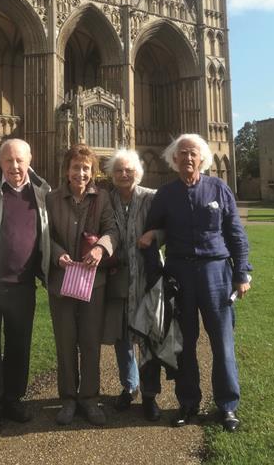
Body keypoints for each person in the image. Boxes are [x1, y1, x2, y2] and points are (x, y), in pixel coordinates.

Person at [139, 134, 251, 432]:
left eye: (193, 153)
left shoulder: (218, 188)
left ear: (202, 158)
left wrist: (242, 273)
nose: (188, 158)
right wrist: (156, 272)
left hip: (216, 273)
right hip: (180, 274)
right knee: (184, 345)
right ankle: (188, 403)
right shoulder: (166, 194)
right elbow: (151, 232)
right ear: (173, 160)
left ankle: (227, 406)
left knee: (222, 343)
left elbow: (236, 234)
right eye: (182, 154)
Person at [0, 138, 50, 438]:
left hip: (23, 286)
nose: (15, 166)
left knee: (19, 346)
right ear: (0, 161)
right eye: (9, 160)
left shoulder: (42, 191)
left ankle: (13, 399)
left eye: (20, 160)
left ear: (29, 160)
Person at [46, 144, 118, 426]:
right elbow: (45, 234)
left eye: (86, 168)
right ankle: (67, 399)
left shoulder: (103, 198)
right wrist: (56, 255)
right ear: (67, 170)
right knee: (65, 342)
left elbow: (112, 230)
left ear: (93, 171)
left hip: (93, 282)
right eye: (76, 167)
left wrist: (101, 248)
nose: (81, 173)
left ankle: (89, 399)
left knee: (89, 342)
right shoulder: (51, 199)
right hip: (62, 281)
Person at [103, 149, 163, 421]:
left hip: (146, 277)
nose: (124, 174)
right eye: (118, 170)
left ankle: (150, 395)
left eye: (128, 170)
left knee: (148, 337)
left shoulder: (151, 198)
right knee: (122, 337)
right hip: (117, 279)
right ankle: (130, 386)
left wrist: (154, 234)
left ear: (137, 172)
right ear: (112, 174)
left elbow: (168, 228)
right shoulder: (107, 200)